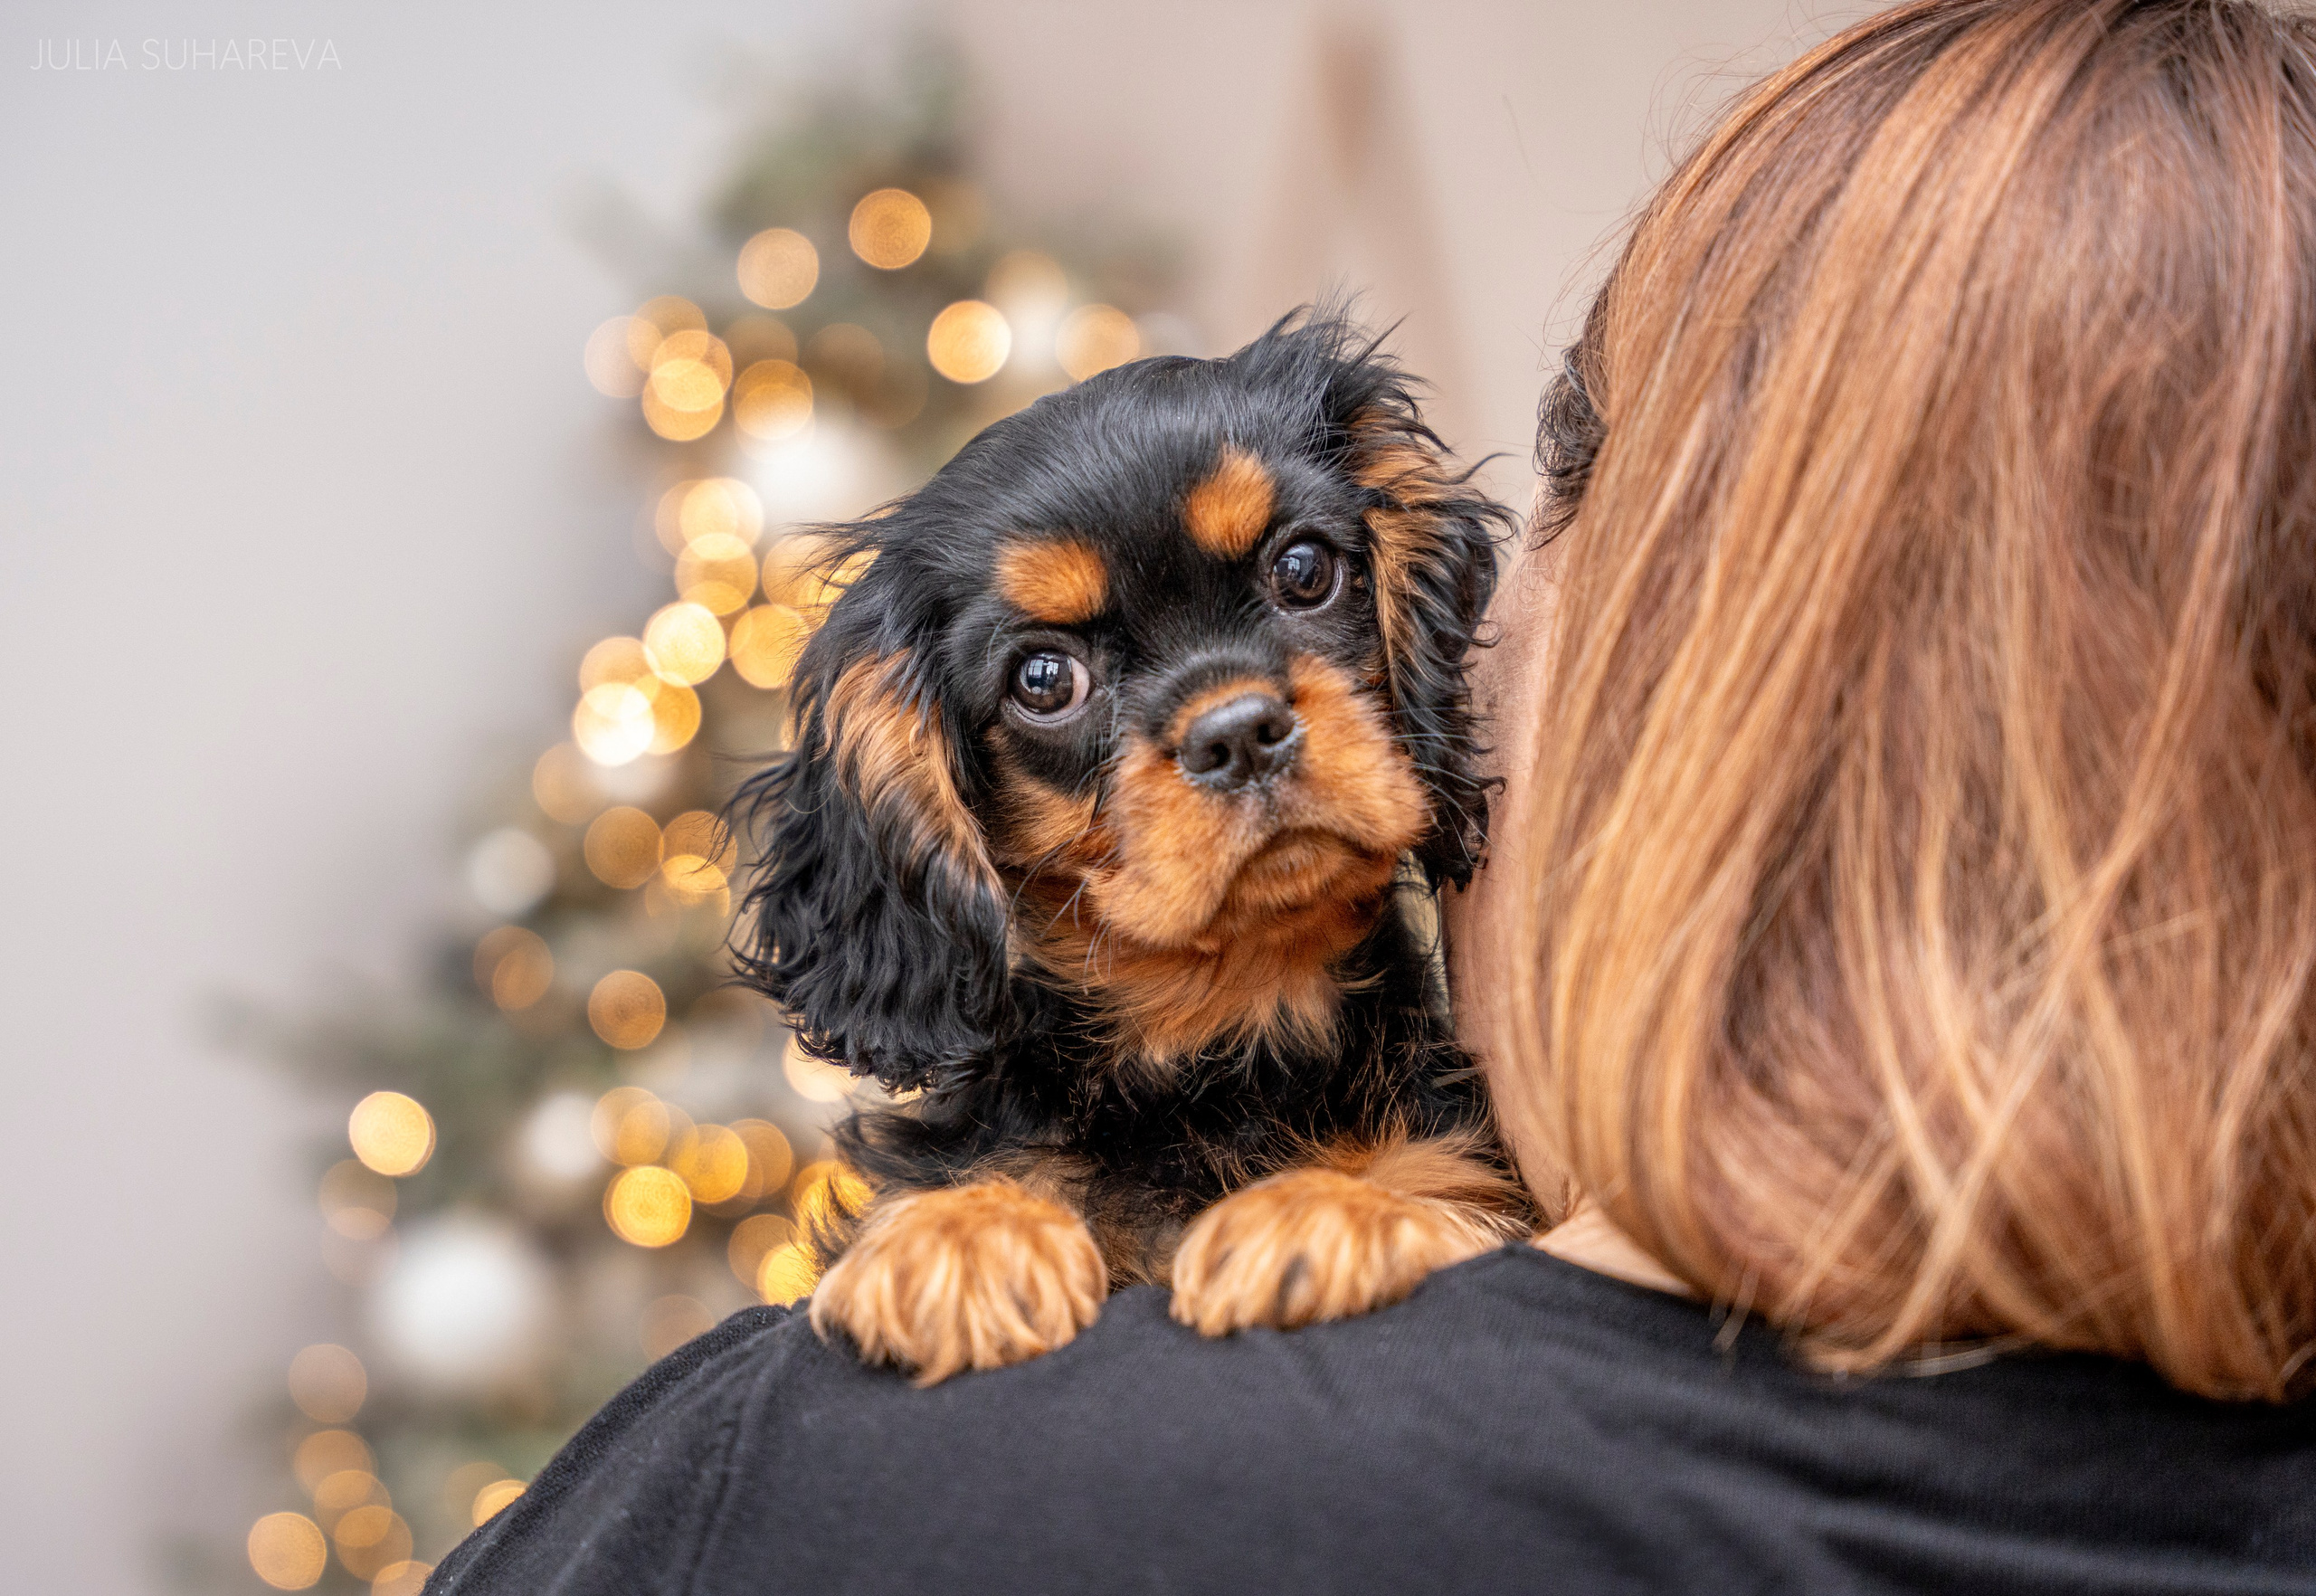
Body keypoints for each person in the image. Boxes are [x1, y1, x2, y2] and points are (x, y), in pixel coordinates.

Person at [425, 3, 2316, 1591]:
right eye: (1061, 683)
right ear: (944, 810)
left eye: (1303, 582)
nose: (1236, 713)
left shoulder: (806, 1496)